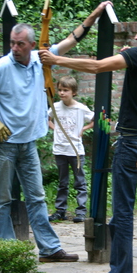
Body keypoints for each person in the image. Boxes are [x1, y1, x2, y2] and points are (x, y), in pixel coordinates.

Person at [0, 1, 112, 263]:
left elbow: (71, 41)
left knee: (36, 197)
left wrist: (95, 14)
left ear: (32, 45)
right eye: (12, 43)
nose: (15, 48)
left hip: (28, 143)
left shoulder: (40, 61)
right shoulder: (1, 66)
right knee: (2, 199)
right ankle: (5, 251)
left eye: (20, 44)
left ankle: (49, 249)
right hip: (5, 143)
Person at [39, 13, 137, 273]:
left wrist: (56, 60)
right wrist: (131, 56)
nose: (136, 35)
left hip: (133, 143)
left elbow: (98, 66)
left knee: (122, 211)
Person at [48, 75, 94, 223]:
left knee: (80, 182)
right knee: (62, 182)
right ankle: (60, 210)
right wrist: (54, 128)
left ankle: (81, 211)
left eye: (65, 90)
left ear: (73, 92)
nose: (62, 93)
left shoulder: (81, 108)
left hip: (76, 151)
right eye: (60, 90)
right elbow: (47, 118)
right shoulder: (55, 107)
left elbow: (95, 120)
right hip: (60, 150)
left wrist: (83, 129)